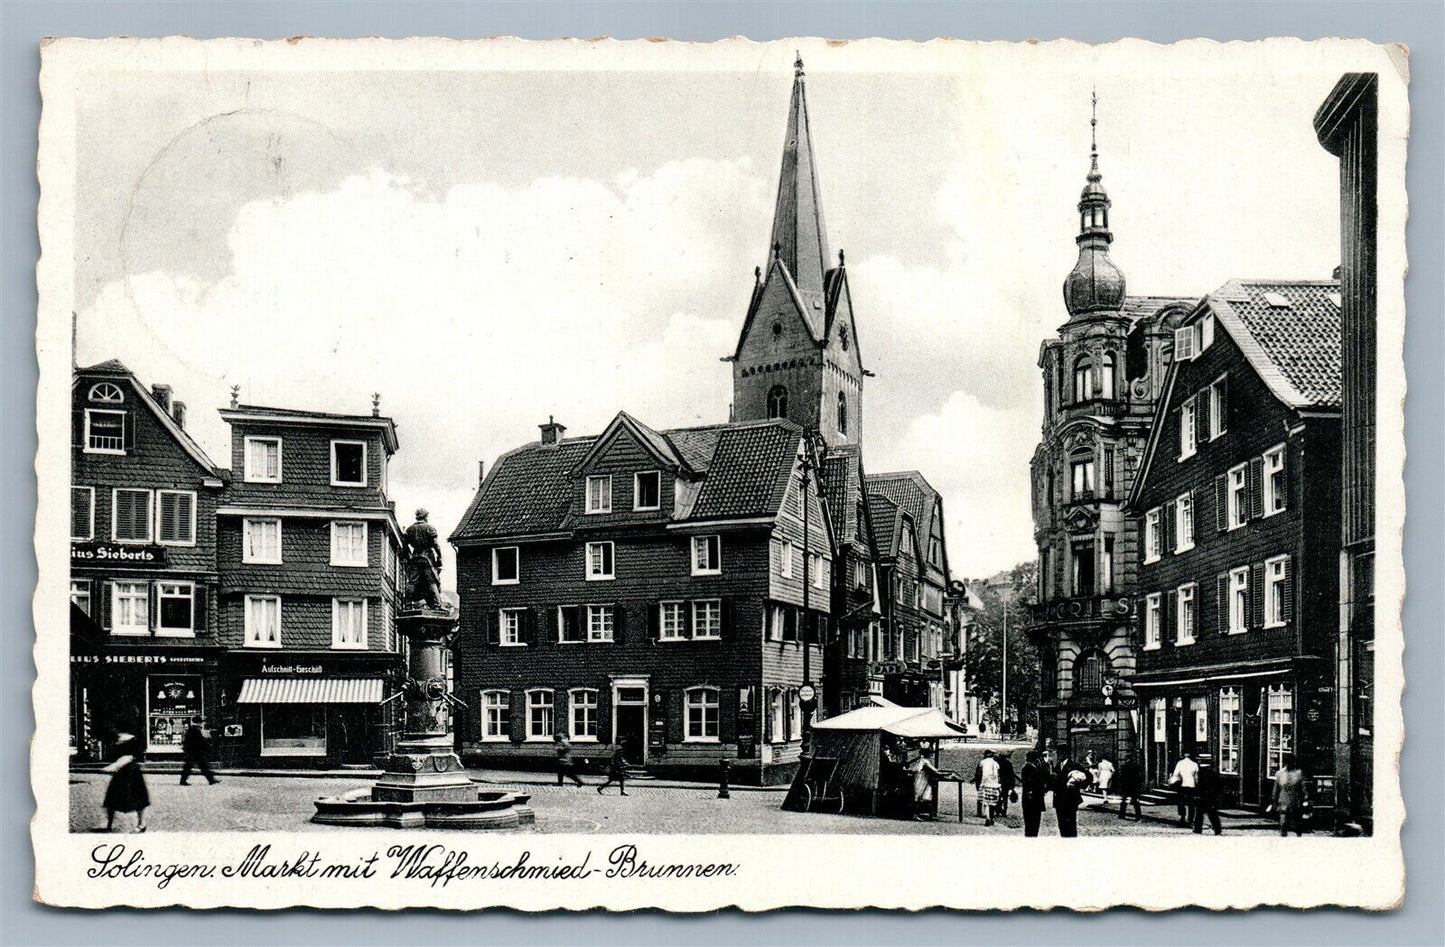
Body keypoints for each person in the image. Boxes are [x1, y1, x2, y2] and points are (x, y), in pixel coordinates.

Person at [101, 732, 149, 833]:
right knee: (112, 798)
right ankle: (109, 824)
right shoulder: (118, 738)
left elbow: (133, 755)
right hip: (121, 773)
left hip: (131, 772)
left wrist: (115, 766)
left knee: (138, 798)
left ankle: (141, 824)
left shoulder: (133, 740)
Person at [1053, 746, 1089, 837]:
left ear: (1065, 754)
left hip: (1070, 800)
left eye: (1060, 753)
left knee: (1071, 825)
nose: (1058, 755)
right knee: (1061, 825)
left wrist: (1077, 785)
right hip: (1059, 800)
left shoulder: (1074, 766)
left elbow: (1088, 778)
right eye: (1058, 753)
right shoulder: (1057, 766)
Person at [1270, 753, 1309, 837]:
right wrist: (1274, 799)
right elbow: (1276, 788)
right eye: (1288, 762)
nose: (1290, 764)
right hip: (1283, 797)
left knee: (1297, 818)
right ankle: (1283, 832)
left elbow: (1302, 786)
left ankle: (1298, 833)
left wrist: (1305, 797)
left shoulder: (1298, 773)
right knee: (1283, 817)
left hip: (1295, 797)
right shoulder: (1280, 773)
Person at [179, 716, 219, 786]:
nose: (201, 723)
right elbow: (200, 741)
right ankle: (211, 780)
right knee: (202, 766)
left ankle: (211, 780)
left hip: (193, 751)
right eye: (201, 722)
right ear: (198, 723)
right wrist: (206, 745)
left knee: (194, 766)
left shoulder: (192, 729)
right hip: (195, 751)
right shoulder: (195, 730)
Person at [1020, 749, 1050, 837]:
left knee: (1030, 824)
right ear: (1035, 759)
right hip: (1033, 800)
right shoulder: (1030, 768)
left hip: (1029, 800)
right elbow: (1035, 783)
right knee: (1033, 824)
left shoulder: (1028, 767)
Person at [907, 749, 942, 821]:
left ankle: (925, 814)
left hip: (922, 779)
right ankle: (915, 815)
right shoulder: (924, 761)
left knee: (923, 796)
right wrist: (937, 771)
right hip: (921, 779)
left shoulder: (920, 760)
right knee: (918, 796)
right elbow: (933, 770)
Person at [1193, 753, 1223, 835]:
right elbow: (1218, 786)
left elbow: (1198, 785)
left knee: (1199, 813)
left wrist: (1197, 794)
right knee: (1212, 813)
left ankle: (1197, 829)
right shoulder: (1213, 773)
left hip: (1202, 795)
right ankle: (1217, 829)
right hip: (1210, 796)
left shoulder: (1200, 774)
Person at [1168, 750, 1201, 827]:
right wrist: (1197, 785)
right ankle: (1190, 819)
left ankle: (1182, 817)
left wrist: (1171, 781)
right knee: (1191, 803)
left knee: (1181, 802)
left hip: (1182, 785)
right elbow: (1196, 777)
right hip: (1191, 785)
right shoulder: (1194, 764)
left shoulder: (1180, 763)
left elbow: (1176, 774)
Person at [977, 750, 1002, 826]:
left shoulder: (982, 762)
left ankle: (987, 817)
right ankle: (992, 818)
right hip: (994, 785)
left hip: (985, 784)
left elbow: (979, 773)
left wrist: (979, 784)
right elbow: (998, 775)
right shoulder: (996, 763)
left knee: (986, 803)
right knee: (992, 803)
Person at [996, 751, 1018, 820]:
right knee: (1005, 798)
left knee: (998, 797)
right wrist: (1012, 784)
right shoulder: (1008, 763)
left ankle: (998, 810)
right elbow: (1012, 774)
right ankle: (1004, 811)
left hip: (999, 782)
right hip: (1006, 783)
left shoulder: (998, 763)